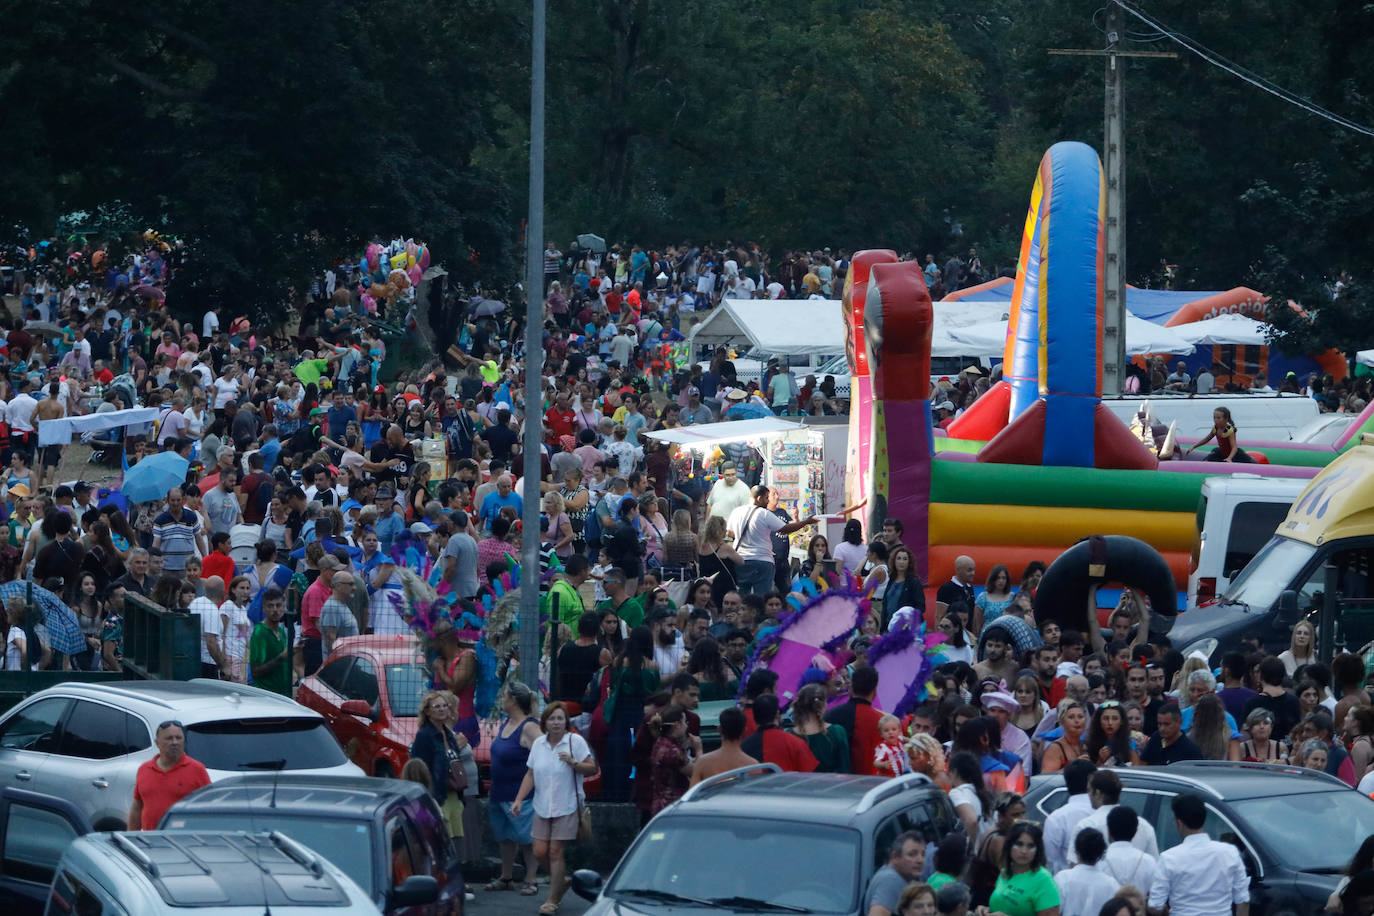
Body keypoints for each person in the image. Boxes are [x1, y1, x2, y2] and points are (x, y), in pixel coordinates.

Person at [510, 701, 598, 916]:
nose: (556, 723)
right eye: (552, 718)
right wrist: (519, 799)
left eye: (560, 718)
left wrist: (573, 763)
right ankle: (561, 882)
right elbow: (530, 774)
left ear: (566, 721)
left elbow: (592, 768)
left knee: (555, 851)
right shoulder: (539, 744)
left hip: (567, 805)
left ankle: (552, 899)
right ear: (545, 722)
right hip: (542, 805)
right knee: (539, 852)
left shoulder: (574, 741)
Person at [1148, 793, 1249, 916]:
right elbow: (1243, 900)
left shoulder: (1169, 858)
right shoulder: (1230, 852)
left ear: (1179, 823)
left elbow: (1155, 906)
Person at [485, 682, 541, 895]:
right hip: (499, 793)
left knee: (527, 839)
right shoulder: (505, 723)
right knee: (505, 838)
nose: (502, 700)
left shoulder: (529, 727)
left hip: (521, 795)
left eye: (504, 696)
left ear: (514, 700)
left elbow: (544, 755)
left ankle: (531, 879)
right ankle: (506, 877)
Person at [726, 484, 817, 595]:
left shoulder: (737, 512)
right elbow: (784, 529)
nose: (767, 501)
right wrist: (806, 522)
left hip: (740, 560)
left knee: (742, 596)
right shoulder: (764, 513)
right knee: (763, 597)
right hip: (762, 561)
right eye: (766, 498)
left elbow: (729, 532)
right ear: (759, 498)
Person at [410, 691, 470, 846]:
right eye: (437, 707)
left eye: (445, 706)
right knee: (441, 840)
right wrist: (429, 798)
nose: (442, 709)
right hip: (438, 796)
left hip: (454, 794)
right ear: (428, 711)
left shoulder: (448, 734)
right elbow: (420, 770)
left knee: (455, 841)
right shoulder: (424, 735)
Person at [127, 720, 211, 830]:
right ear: (157, 743)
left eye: (178, 738)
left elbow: (209, 809)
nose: (175, 742)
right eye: (169, 738)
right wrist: (131, 838)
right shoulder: (144, 769)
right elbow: (137, 808)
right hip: (150, 842)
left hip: (183, 842)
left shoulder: (197, 769)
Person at [1069, 770, 1158, 863]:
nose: (1088, 795)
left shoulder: (1086, 825)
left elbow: (1075, 866)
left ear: (1098, 793)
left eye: (1089, 790)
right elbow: (1154, 865)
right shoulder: (1144, 826)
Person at [987, 822, 1060, 916]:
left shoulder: (1043, 879)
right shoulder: (1005, 872)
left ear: (1038, 850)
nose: (1024, 851)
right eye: (1019, 844)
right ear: (1009, 846)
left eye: (1030, 846)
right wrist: (987, 911)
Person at [826, 664, 885, 775]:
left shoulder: (830, 715)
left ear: (851, 688)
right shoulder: (882, 722)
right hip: (868, 785)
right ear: (874, 691)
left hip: (833, 784)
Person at [740, 694, 819, 772]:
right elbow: (809, 775)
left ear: (754, 716)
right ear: (777, 714)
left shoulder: (743, 747)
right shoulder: (795, 743)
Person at [1043, 759, 1097, 873]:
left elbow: (1049, 862)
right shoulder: (1104, 813)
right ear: (1092, 782)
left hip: (1063, 886)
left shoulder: (1057, 818)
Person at [647, 704, 699, 814]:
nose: (686, 726)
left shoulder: (662, 743)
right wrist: (699, 749)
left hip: (663, 805)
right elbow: (697, 772)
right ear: (677, 725)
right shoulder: (672, 751)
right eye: (684, 722)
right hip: (672, 807)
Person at [1054, 828, 1118, 916]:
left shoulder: (1063, 878)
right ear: (1101, 853)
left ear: (1076, 851)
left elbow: (1054, 911)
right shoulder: (1112, 885)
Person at [789, 682, 850, 772]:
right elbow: (845, 769)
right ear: (823, 705)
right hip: (832, 784)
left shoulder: (789, 735)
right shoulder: (837, 732)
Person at [864, 831, 928, 916]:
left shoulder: (901, 878)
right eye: (912, 854)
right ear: (895, 857)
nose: (920, 860)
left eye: (923, 854)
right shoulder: (890, 880)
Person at [1098, 807, 1156, 898]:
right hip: (1138, 911)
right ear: (1136, 831)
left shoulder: (1099, 860)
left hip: (1106, 911)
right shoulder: (1149, 861)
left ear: (1108, 829)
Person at [690, 706, 758, 784]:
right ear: (744, 731)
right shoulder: (754, 765)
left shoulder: (703, 763)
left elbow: (692, 794)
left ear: (719, 729)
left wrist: (699, 751)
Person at [248, 588, 292, 696]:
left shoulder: (281, 632)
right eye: (270, 606)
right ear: (263, 608)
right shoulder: (260, 632)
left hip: (282, 695)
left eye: (278, 605)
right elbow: (255, 672)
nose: (275, 610)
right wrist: (281, 657)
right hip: (266, 696)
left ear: (283, 607)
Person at [948, 750, 992, 844]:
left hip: (977, 853)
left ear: (954, 772)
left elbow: (972, 820)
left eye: (949, 772)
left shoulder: (957, 793)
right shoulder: (983, 793)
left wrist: (972, 847)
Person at [1185, 406, 1255, 463]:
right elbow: (1207, 439)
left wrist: (1229, 458)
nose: (1216, 420)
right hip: (1221, 453)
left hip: (1233, 454)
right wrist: (1194, 446)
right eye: (1214, 418)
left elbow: (1234, 447)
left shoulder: (1229, 430)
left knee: (1250, 462)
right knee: (1207, 460)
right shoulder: (1215, 428)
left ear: (1226, 419)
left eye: (1218, 418)